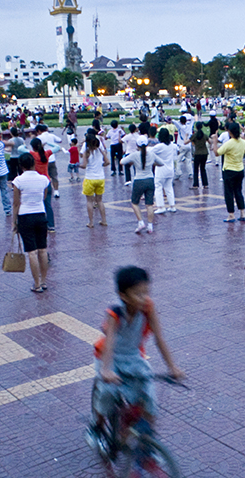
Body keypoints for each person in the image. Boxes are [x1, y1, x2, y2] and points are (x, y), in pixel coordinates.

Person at [86, 266, 184, 450]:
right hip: (109, 357)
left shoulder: (148, 308)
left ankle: (147, 447)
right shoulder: (115, 313)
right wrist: (106, 370)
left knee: (148, 395)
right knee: (107, 392)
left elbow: (159, 338)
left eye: (146, 292)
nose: (144, 298)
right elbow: (110, 341)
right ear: (123, 295)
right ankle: (96, 426)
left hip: (133, 357)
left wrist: (172, 367)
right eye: (138, 294)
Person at [12, 153, 50, 293]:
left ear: (21, 166)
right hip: (40, 214)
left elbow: (16, 203)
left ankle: (37, 284)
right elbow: (44, 196)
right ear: (34, 163)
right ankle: (44, 281)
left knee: (32, 252)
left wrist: (14, 222)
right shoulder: (43, 179)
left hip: (25, 216)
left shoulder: (18, 181)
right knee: (43, 250)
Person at [121, 136, 163, 234]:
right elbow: (161, 163)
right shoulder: (151, 154)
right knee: (149, 204)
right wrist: (153, 164)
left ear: (137, 145)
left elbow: (122, 162)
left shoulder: (134, 155)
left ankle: (140, 222)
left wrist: (132, 162)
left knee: (135, 202)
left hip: (138, 180)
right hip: (150, 180)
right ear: (147, 145)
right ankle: (150, 225)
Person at [216, 122, 245, 222]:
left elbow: (217, 153)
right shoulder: (242, 142)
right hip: (240, 170)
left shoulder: (229, 143)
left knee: (229, 193)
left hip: (229, 170)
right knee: (238, 191)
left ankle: (231, 214)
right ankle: (242, 213)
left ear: (229, 132)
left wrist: (214, 142)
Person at [80, 128, 110, 228]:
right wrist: (101, 165)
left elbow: (84, 165)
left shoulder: (86, 151)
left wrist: (77, 165)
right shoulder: (100, 149)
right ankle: (104, 220)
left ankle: (91, 222)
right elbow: (107, 162)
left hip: (89, 178)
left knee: (89, 201)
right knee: (100, 201)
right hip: (100, 177)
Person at [29, 137, 58, 233]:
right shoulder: (46, 153)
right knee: (48, 205)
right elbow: (57, 147)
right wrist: (48, 142)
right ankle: (51, 226)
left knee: (36, 205)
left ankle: (38, 226)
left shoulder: (32, 154)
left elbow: (20, 149)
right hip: (47, 182)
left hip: (36, 183)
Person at [151, 127, 178, 214]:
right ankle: (172, 206)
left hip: (161, 169)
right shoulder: (172, 145)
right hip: (170, 169)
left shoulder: (159, 146)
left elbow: (149, 152)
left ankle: (161, 207)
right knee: (169, 188)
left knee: (158, 188)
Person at [35, 124, 63, 199]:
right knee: (54, 176)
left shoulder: (39, 138)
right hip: (52, 158)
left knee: (44, 176)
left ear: (39, 131)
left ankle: (46, 191)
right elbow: (60, 140)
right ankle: (56, 191)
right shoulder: (51, 135)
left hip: (43, 159)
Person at [188, 122, 210, 189]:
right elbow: (210, 142)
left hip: (197, 153)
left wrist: (186, 136)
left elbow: (186, 142)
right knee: (203, 168)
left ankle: (195, 185)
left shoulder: (194, 135)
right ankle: (205, 184)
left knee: (196, 169)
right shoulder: (205, 135)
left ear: (196, 127)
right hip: (205, 153)